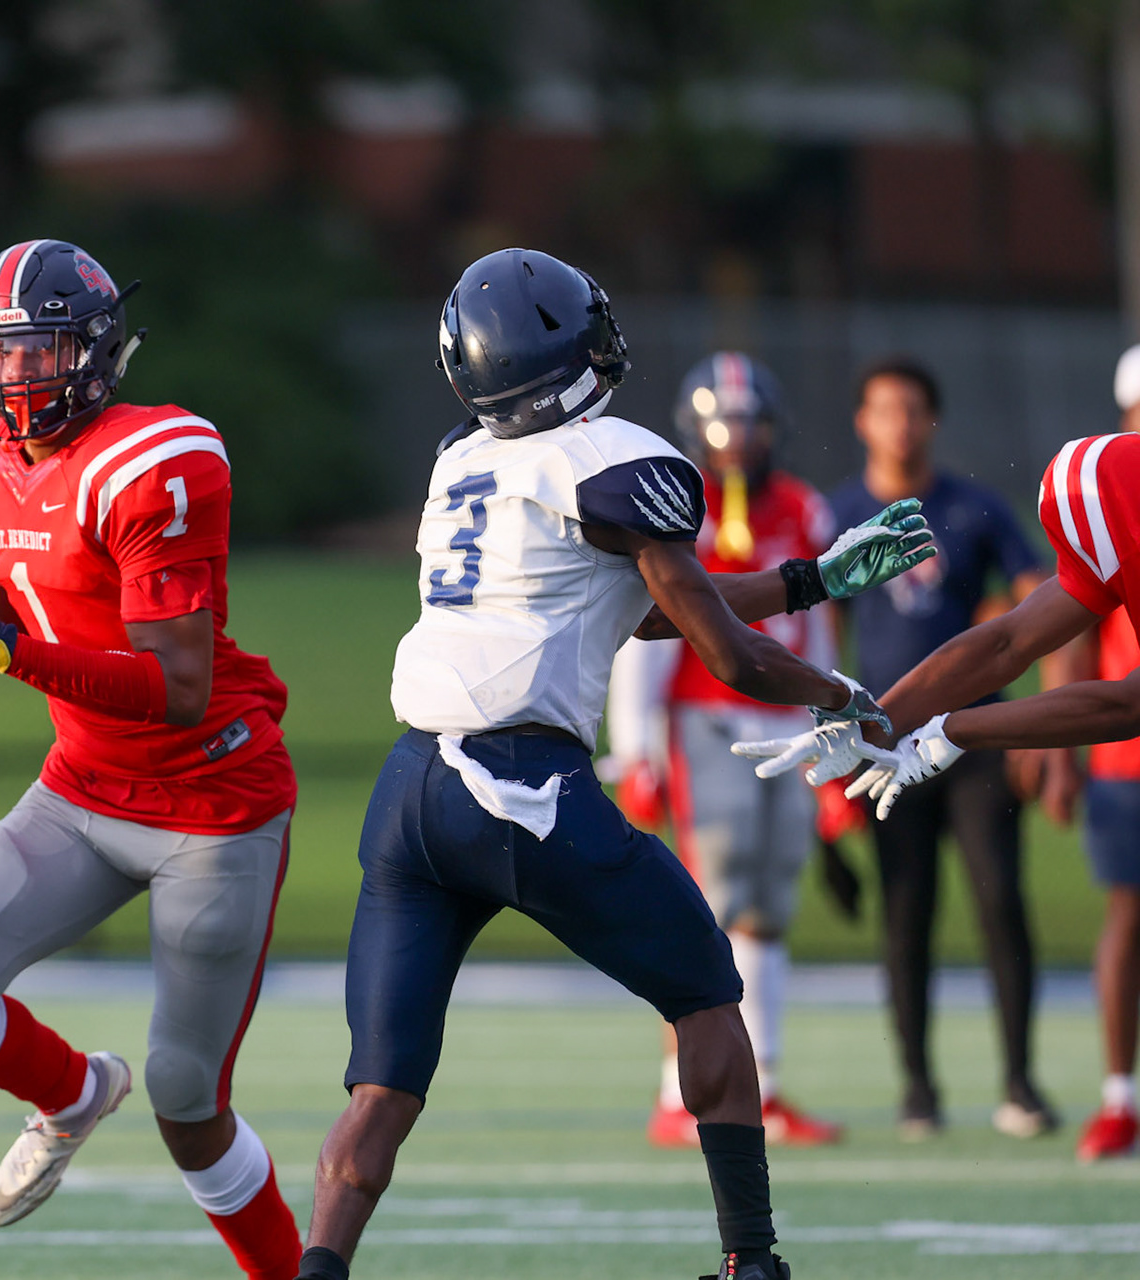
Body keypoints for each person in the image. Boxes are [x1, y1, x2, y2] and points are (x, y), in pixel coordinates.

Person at [292, 249, 932, 1280]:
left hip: (408, 791)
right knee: (710, 1000)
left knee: (381, 1092)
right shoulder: (609, 456)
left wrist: (810, 577)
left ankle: (318, 1266)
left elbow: (634, 612)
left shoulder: (464, 460)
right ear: (565, 353)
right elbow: (719, 647)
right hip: (521, 788)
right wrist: (844, 695)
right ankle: (752, 1260)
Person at [0, 239, 303, 1280]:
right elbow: (20, 547)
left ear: (98, 354)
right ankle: (69, 1092)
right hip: (82, 788)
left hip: (211, 802)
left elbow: (177, 686)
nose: (20, 376)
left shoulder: (157, 461)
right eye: (2, 353)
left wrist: (8, 650)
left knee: (187, 1102)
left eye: (43, 351)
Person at [608, 353, 843, 1149]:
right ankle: (680, 1092)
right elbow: (645, 632)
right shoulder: (678, 506)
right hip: (705, 723)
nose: (738, 440)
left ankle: (764, 1085)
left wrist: (829, 717)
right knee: (707, 909)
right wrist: (635, 749)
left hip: (785, 725)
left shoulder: (801, 505)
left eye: (750, 424)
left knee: (769, 909)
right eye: (725, 425)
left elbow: (815, 625)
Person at [823, 358, 1057, 1141]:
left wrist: (1044, 730)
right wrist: (835, 745)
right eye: (884, 408)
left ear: (932, 420)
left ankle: (1020, 1082)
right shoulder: (840, 513)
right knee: (905, 914)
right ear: (862, 421)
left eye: (913, 409)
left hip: (973, 738)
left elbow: (1040, 599)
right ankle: (918, 1088)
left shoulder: (971, 506)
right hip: (883, 741)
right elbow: (816, 632)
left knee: (1000, 903)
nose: (899, 423)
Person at [1046, 343, 1140, 1161]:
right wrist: (1060, 755)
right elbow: (1067, 632)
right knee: (1126, 916)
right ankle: (1119, 1094)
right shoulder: (1117, 499)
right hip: (1123, 751)